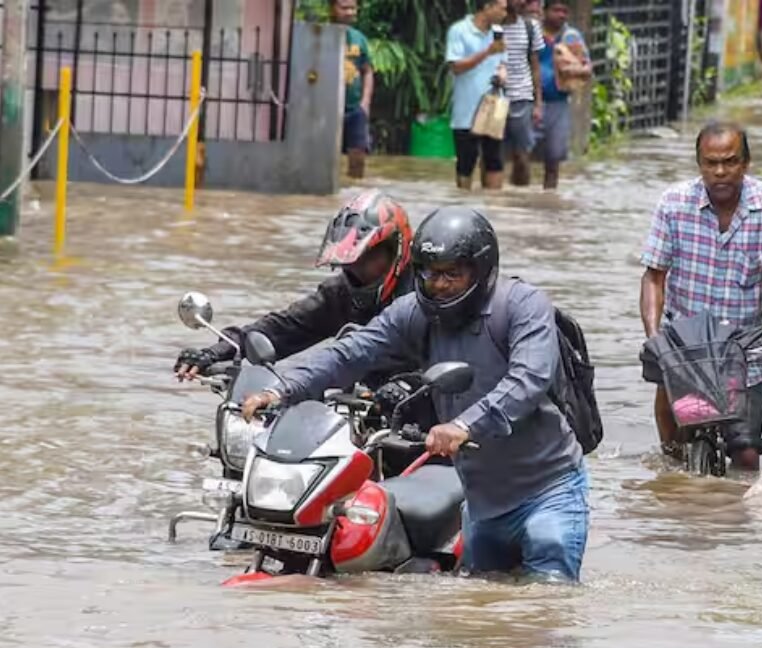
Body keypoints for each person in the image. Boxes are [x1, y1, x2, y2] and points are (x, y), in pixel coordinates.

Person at [241, 207, 590, 582]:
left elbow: (529, 378)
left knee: (548, 603)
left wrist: (463, 424)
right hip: (482, 500)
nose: (438, 284)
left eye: (451, 274)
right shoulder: (414, 311)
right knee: (478, 614)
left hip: (547, 491)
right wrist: (284, 388)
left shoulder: (523, 305)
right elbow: (352, 351)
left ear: (482, 270)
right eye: (429, 272)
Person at [173, 190, 431, 428]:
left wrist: (410, 386)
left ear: (396, 251)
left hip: (423, 423)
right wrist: (215, 352)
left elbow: (456, 363)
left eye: (369, 259)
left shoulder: (426, 301)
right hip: (357, 415)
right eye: (352, 262)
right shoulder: (339, 294)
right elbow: (282, 328)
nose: (358, 270)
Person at [640, 122, 762, 472]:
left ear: (746, 162)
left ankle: (738, 528)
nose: (720, 172)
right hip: (685, 347)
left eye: (730, 162)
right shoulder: (674, 203)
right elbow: (654, 276)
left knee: (746, 457)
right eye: (710, 163)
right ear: (699, 164)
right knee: (674, 457)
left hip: (742, 352)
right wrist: (654, 337)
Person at [447, 0, 510, 190]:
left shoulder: (498, 33)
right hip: (466, 111)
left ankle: (493, 209)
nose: (505, 13)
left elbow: (502, 62)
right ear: (487, 7)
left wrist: (502, 73)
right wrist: (487, 52)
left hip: (493, 108)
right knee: (466, 163)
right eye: (502, 8)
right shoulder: (459, 30)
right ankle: (464, 207)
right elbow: (455, 67)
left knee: (495, 161)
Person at [536, 0, 592, 190]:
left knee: (554, 158)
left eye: (564, 11)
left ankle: (549, 198)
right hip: (527, 102)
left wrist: (573, 69)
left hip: (558, 103)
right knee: (518, 156)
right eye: (556, 10)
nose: (560, 15)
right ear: (544, 11)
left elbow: (587, 68)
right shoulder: (532, 33)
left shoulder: (571, 37)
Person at [502, 0, 546, 186]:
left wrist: (538, 103)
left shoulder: (531, 27)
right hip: (493, 97)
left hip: (522, 97)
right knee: (492, 156)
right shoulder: (492, 26)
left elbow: (535, 66)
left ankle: (521, 200)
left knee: (522, 155)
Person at [331, 0, 373, 180]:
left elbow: (368, 71)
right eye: (344, 7)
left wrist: (365, 103)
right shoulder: (322, 34)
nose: (349, 12)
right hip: (327, 108)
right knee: (323, 158)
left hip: (354, 107)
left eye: (352, 8)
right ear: (332, 8)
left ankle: (354, 195)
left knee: (358, 158)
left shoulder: (359, 38)